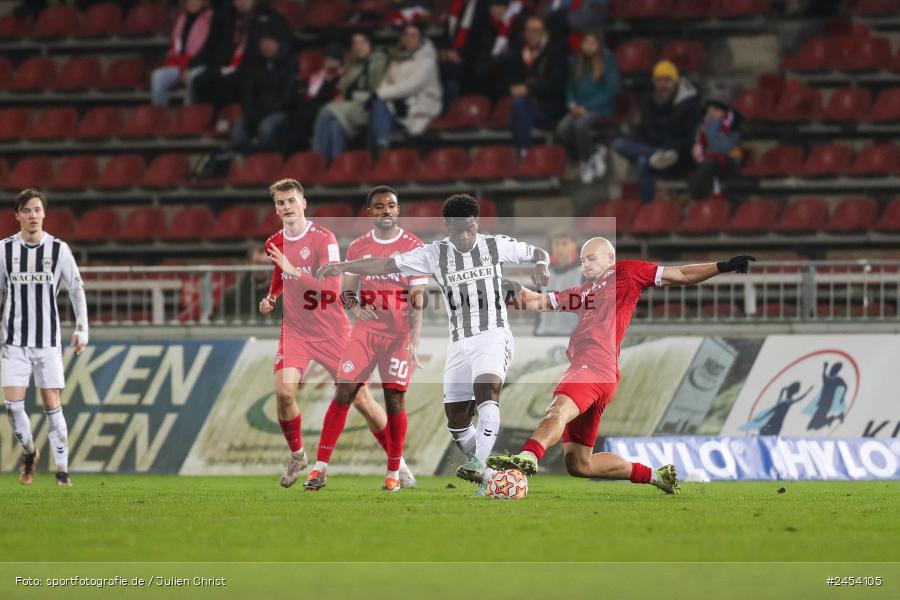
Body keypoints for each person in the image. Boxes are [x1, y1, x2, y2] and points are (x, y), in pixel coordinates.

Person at [317, 194, 551, 496]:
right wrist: (343, 266)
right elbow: (386, 263)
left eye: (469, 228)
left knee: (486, 393)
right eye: (457, 230)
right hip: (459, 341)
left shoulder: (495, 245)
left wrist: (543, 265)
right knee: (457, 422)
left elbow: (538, 252)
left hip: (493, 334)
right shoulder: (433, 254)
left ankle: (479, 463)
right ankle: (489, 480)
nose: (465, 236)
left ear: (476, 223)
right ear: (447, 226)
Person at [488, 239, 756, 493]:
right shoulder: (583, 293)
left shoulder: (627, 271)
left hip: (592, 367)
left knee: (557, 409)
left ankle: (528, 456)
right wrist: (506, 286)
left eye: (591, 258)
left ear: (610, 257)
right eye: (583, 261)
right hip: (602, 374)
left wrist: (721, 266)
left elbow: (682, 275)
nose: (586, 265)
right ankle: (655, 475)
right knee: (580, 464)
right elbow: (538, 301)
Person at [259, 179, 414, 489]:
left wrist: (293, 271)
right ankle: (298, 455)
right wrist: (273, 294)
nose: (286, 207)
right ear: (276, 208)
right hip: (296, 331)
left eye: (291, 200)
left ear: (303, 203)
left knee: (363, 403)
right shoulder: (274, 241)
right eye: (280, 203)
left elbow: (331, 289)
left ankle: (398, 463)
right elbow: (280, 271)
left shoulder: (324, 239)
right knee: (284, 393)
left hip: (333, 330)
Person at [305, 187, 427, 492]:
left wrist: (415, 340)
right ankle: (319, 469)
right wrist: (355, 306)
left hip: (400, 334)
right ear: (369, 212)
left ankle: (393, 473)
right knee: (344, 390)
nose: (386, 210)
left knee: (394, 399)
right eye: (379, 206)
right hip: (367, 333)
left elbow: (418, 297)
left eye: (392, 206)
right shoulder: (358, 247)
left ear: (398, 211)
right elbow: (347, 290)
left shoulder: (414, 247)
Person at [1, 188, 89, 487]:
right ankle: (30, 452)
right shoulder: (4, 250)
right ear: (17, 215)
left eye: (37, 210)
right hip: (13, 342)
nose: (33, 215)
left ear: (44, 214)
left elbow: (76, 289)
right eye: (27, 210)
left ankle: (62, 472)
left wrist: (82, 328)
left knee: (52, 404)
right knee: (13, 407)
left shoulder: (58, 250)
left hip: (48, 342)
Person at [612, 60, 702, 203]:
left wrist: (671, 148)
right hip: (655, 153)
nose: (663, 85)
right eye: (659, 80)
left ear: (676, 81)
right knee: (619, 144)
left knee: (643, 162)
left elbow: (691, 140)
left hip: (679, 157)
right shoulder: (649, 103)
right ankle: (647, 210)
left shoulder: (690, 106)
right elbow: (643, 132)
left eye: (667, 80)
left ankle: (646, 208)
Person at [190, 0, 292, 109]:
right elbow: (211, 46)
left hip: (250, 70)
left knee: (230, 83)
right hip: (226, 68)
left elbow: (284, 48)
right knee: (199, 80)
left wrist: (277, 49)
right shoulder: (227, 18)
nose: (240, 2)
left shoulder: (270, 18)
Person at [554, 31, 620, 184]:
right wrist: (571, 104)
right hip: (579, 108)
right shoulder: (576, 62)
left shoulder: (607, 61)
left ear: (598, 45)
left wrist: (588, 106)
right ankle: (594, 152)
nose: (589, 46)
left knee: (580, 125)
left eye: (592, 43)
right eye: (586, 43)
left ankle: (585, 162)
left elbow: (611, 89)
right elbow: (570, 87)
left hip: (599, 108)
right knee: (562, 129)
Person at [312, 33, 389, 163]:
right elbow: (343, 87)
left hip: (368, 107)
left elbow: (377, 91)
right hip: (351, 107)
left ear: (370, 44)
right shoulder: (354, 65)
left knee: (326, 111)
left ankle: (316, 161)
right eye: (355, 43)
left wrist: (351, 96)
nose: (358, 46)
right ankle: (337, 164)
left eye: (362, 42)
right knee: (334, 125)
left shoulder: (379, 62)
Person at [368, 23, 442, 155]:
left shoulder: (427, 61)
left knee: (379, 101)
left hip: (421, 104)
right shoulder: (397, 60)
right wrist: (381, 94)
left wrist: (380, 94)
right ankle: (382, 149)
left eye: (413, 35)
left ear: (420, 39)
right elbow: (386, 83)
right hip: (398, 105)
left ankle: (383, 152)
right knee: (376, 106)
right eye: (406, 35)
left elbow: (413, 85)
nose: (409, 38)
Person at [439, 0, 523, 104]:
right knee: (448, 76)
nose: (497, 11)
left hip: (491, 67)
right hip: (475, 63)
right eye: (494, 7)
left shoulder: (512, 27)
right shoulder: (482, 22)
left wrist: (462, 56)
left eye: (501, 7)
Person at [230, 27, 298, 154]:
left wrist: (267, 111)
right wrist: (251, 112)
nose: (265, 45)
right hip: (257, 111)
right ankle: (252, 161)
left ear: (277, 42)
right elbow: (247, 93)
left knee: (265, 129)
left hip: (280, 111)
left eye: (269, 41)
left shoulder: (289, 63)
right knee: (237, 133)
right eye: (263, 41)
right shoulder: (254, 64)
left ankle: (271, 161)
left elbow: (288, 96)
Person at [507, 15, 568, 157]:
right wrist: (513, 87)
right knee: (518, 109)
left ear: (544, 32)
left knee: (519, 110)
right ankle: (524, 153)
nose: (531, 34)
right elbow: (513, 78)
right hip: (528, 105)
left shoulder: (556, 52)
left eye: (535, 30)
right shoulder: (521, 51)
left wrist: (529, 89)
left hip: (550, 107)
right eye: (528, 30)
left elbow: (557, 84)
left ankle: (524, 153)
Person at [150, 0, 213, 107]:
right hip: (180, 64)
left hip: (200, 65)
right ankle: (160, 114)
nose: (193, 2)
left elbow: (209, 50)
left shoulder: (211, 19)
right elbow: (174, 46)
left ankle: (187, 114)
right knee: (158, 76)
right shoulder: (181, 18)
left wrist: (189, 67)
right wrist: (173, 64)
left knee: (192, 77)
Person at [689, 99, 743, 201]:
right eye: (709, 110)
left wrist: (712, 125)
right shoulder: (702, 127)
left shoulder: (732, 127)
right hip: (707, 162)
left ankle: (696, 197)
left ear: (724, 112)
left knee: (710, 163)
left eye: (715, 110)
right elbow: (697, 148)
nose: (711, 113)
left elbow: (719, 148)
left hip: (728, 162)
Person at [295, 43, 344, 147]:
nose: (329, 62)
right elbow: (309, 94)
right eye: (327, 59)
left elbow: (333, 96)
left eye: (333, 59)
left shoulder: (341, 77)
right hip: (309, 110)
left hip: (327, 110)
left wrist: (331, 77)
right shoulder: (318, 75)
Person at [533, 229, 581, 336]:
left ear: (574, 245)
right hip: (543, 334)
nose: (559, 248)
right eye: (556, 244)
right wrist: (536, 333)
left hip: (570, 337)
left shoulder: (584, 273)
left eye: (564, 244)